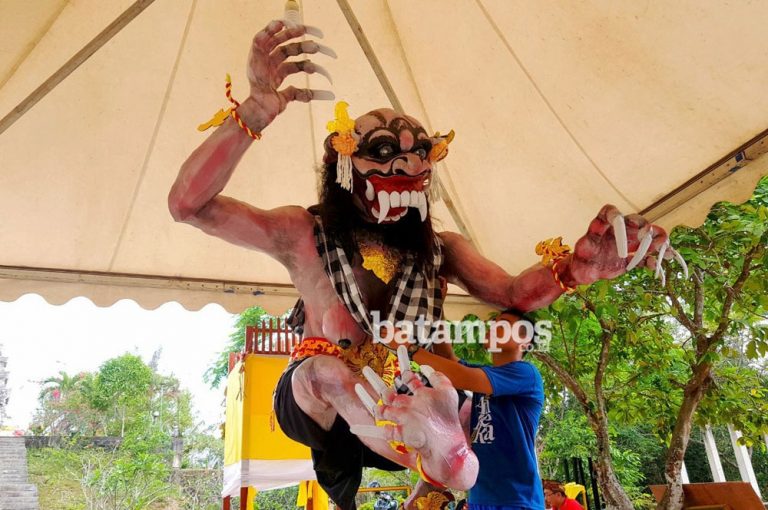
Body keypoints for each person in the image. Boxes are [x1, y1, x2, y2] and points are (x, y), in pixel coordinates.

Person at [168, 18, 677, 510]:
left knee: (448, 391)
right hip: (316, 400)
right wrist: (255, 111)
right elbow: (190, 206)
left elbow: (515, 294)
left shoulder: (440, 247)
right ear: (341, 162)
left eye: (417, 155)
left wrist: (578, 269)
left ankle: (436, 460)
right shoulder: (303, 232)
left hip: (403, 400)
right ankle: (437, 463)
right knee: (327, 371)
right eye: (384, 151)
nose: (407, 166)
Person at [366, 309, 544, 509]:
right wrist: (437, 306)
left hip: (517, 500)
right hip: (480, 498)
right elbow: (449, 362)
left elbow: (462, 376)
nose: (493, 327)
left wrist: (409, 348)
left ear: (525, 341)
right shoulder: (481, 373)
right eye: (493, 323)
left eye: (503, 324)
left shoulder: (527, 373)